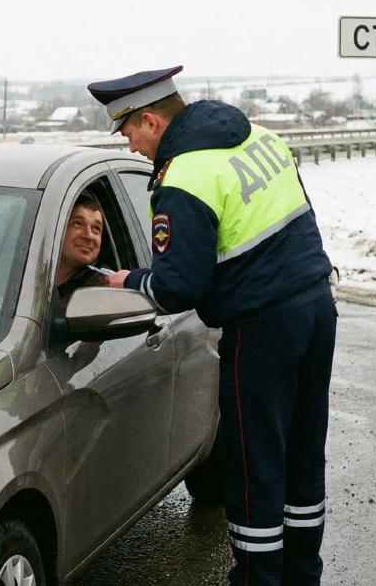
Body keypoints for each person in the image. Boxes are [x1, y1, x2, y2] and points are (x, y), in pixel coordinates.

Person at [89, 66, 337, 586]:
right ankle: (301, 575)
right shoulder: (260, 138)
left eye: (129, 133)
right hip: (316, 308)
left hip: (262, 328)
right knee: (302, 452)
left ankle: (256, 578)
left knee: (254, 464)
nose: (132, 148)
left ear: (151, 121)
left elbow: (179, 287)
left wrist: (124, 281)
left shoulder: (183, 177)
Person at [56, 193, 109, 310]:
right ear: (58, 229)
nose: (89, 236)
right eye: (78, 224)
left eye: (96, 229)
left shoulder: (105, 287)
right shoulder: (23, 277)